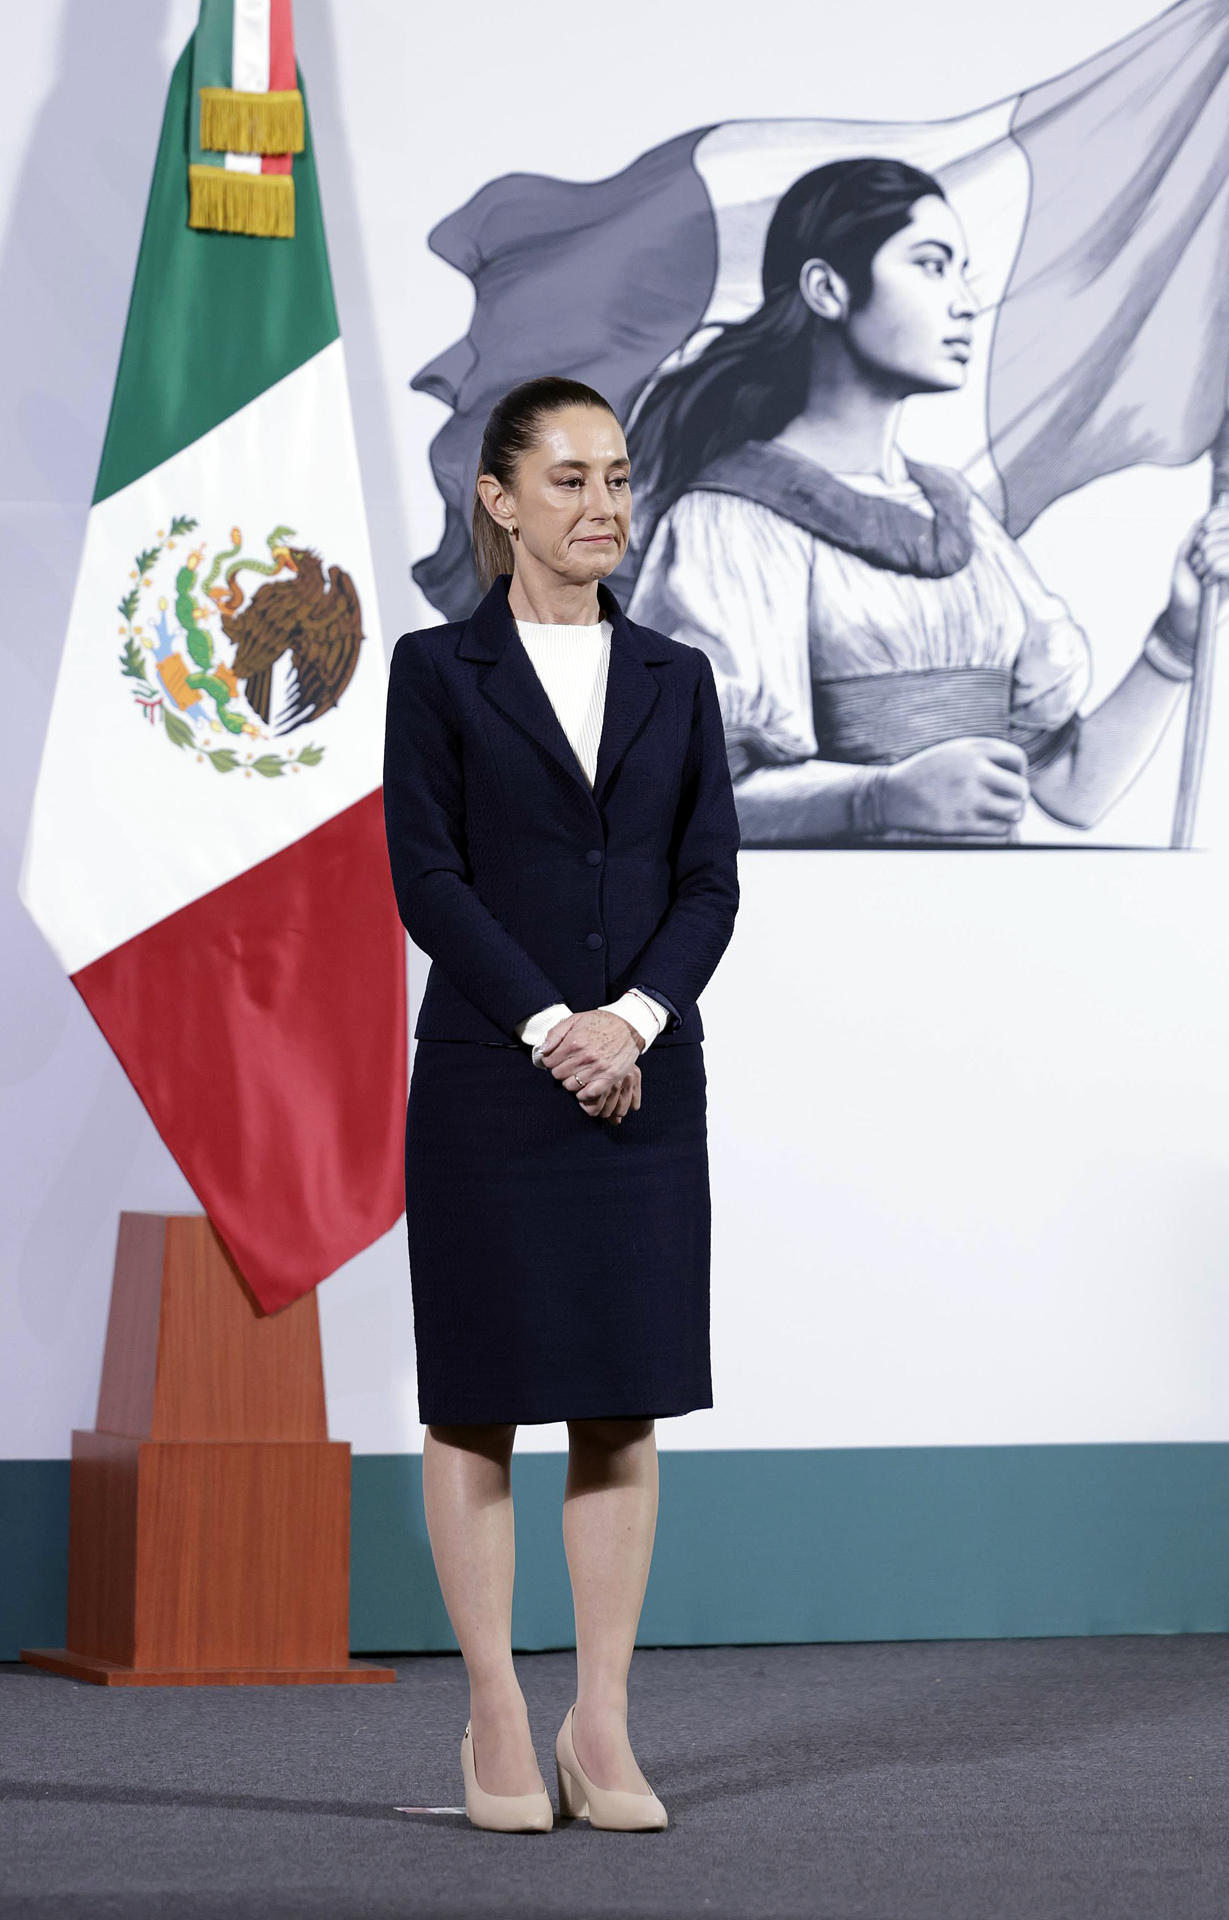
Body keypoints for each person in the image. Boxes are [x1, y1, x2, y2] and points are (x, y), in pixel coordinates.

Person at [382, 375, 740, 1832]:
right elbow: (430, 881)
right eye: (574, 479)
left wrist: (633, 1020)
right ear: (500, 498)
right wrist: (552, 1028)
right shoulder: (434, 672)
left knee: (620, 1400)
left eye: (619, 479)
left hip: (645, 1085)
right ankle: (493, 1716)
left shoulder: (679, 676)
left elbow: (710, 878)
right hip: (491, 1080)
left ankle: (602, 1722)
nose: (606, 506)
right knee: (477, 1405)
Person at [623, 158, 1229, 846]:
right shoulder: (730, 522)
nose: (962, 300)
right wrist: (878, 798)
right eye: (930, 264)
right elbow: (682, 799)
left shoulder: (961, 519)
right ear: (826, 289)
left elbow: (1073, 789)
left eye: (961, 270)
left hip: (981, 933)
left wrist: (1178, 636)